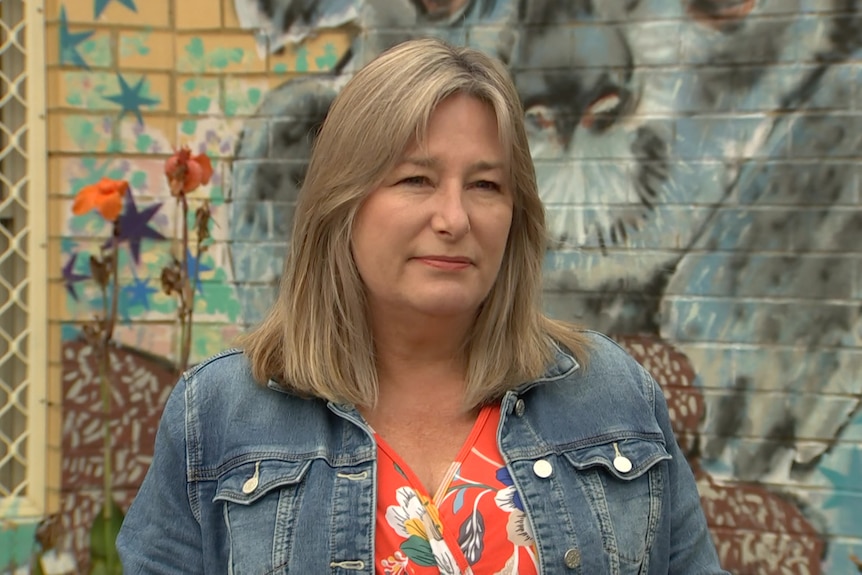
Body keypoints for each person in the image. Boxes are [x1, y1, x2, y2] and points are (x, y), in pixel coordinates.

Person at [117, 38, 728, 574]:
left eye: (486, 185)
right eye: (416, 179)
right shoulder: (222, 416)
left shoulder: (612, 399)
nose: (454, 219)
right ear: (343, 201)